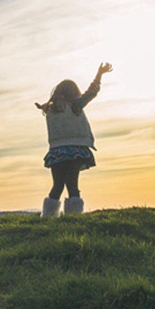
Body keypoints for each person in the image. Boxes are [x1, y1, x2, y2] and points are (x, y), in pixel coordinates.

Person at [35, 62, 113, 217]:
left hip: (56, 152)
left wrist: (42, 106)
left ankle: (48, 217)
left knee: (57, 185)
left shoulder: (50, 108)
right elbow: (91, 92)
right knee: (72, 185)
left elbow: (45, 106)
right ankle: (73, 217)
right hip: (74, 151)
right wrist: (99, 74)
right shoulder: (75, 105)